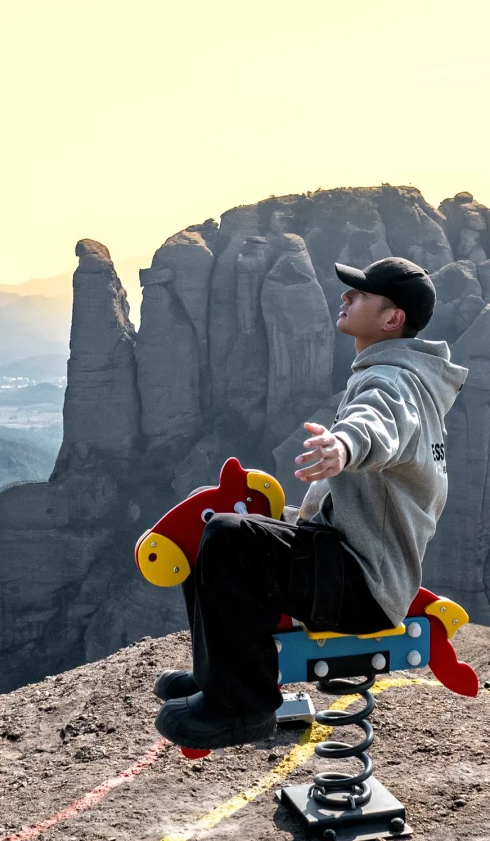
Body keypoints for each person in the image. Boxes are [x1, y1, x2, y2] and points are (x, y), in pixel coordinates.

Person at [153, 256, 467, 750]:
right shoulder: (403, 373)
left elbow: (379, 421)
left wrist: (344, 446)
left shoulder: (395, 382)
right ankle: (218, 677)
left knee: (227, 537)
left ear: (392, 319)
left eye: (359, 294)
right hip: (349, 562)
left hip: (363, 584)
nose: (345, 298)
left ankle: (241, 709)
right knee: (217, 522)